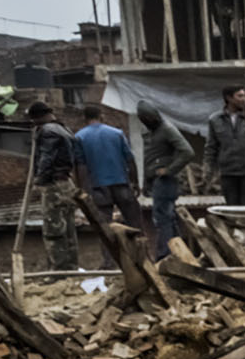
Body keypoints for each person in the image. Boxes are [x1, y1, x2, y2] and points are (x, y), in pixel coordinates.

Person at [73, 104, 148, 249]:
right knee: (135, 223)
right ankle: (143, 254)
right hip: (121, 184)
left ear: (84, 119)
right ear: (101, 116)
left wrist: (84, 190)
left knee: (105, 228)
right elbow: (130, 160)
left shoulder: (79, 137)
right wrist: (135, 183)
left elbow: (81, 166)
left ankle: (110, 259)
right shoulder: (117, 133)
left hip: (98, 187)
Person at [26, 101, 83, 270]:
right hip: (67, 183)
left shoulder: (47, 131)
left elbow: (46, 157)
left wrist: (39, 179)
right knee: (69, 228)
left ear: (38, 117)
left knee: (53, 228)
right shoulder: (64, 129)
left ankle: (59, 269)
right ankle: (71, 267)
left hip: (54, 185)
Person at [135, 102, 192, 261]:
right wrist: (146, 182)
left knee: (163, 218)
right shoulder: (150, 132)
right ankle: (178, 252)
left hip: (166, 181)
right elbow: (149, 158)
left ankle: (164, 255)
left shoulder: (167, 129)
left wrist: (169, 170)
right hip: (156, 181)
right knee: (168, 217)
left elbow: (187, 152)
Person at [210, 86, 245, 207]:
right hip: (227, 172)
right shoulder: (215, 120)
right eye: (240, 96)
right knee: (232, 208)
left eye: (244, 95)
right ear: (229, 98)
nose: (244, 99)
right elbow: (211, 147)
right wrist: (209, 170)